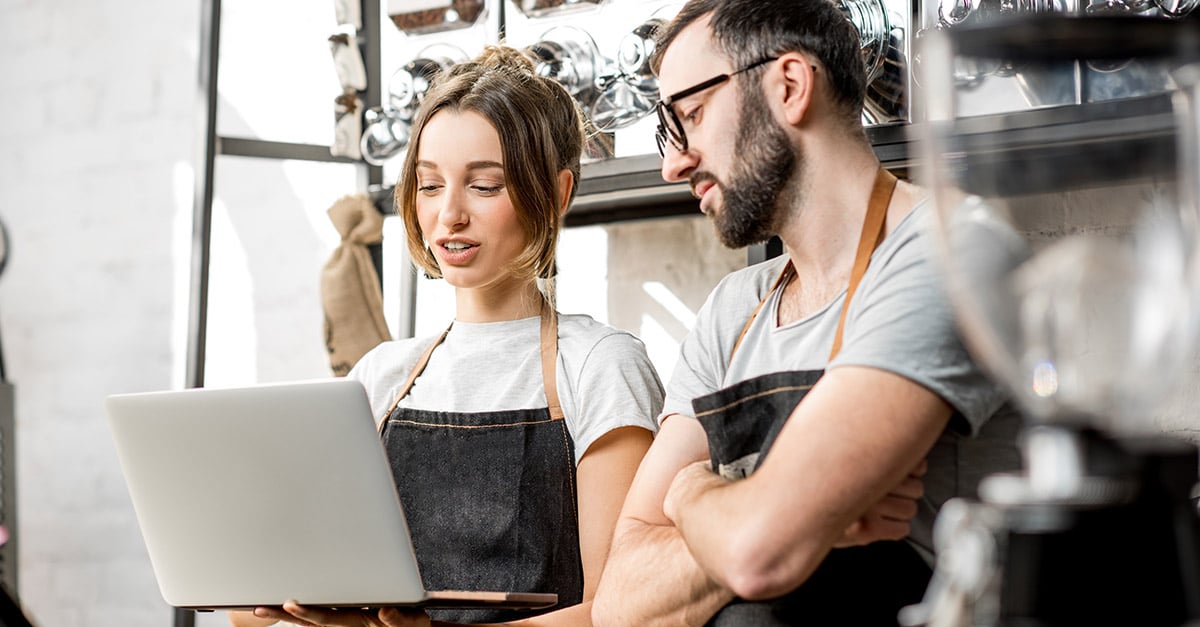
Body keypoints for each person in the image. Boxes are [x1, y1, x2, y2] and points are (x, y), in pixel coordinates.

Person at [591, 0, 1023, 625]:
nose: (673, 162)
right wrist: (760, 517)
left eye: (691, 115)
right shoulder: (734, 311)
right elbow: (619, 604)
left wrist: (694, 494)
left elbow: (761, 555)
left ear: (789, 87)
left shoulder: (950, 252)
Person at [231, 45, 663, 627]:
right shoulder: (380, 376)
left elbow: (624, 613)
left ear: (556, 195)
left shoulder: (599, 367)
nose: (448, 216)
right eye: (429, 186)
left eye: (484, 186)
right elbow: (249, 613)